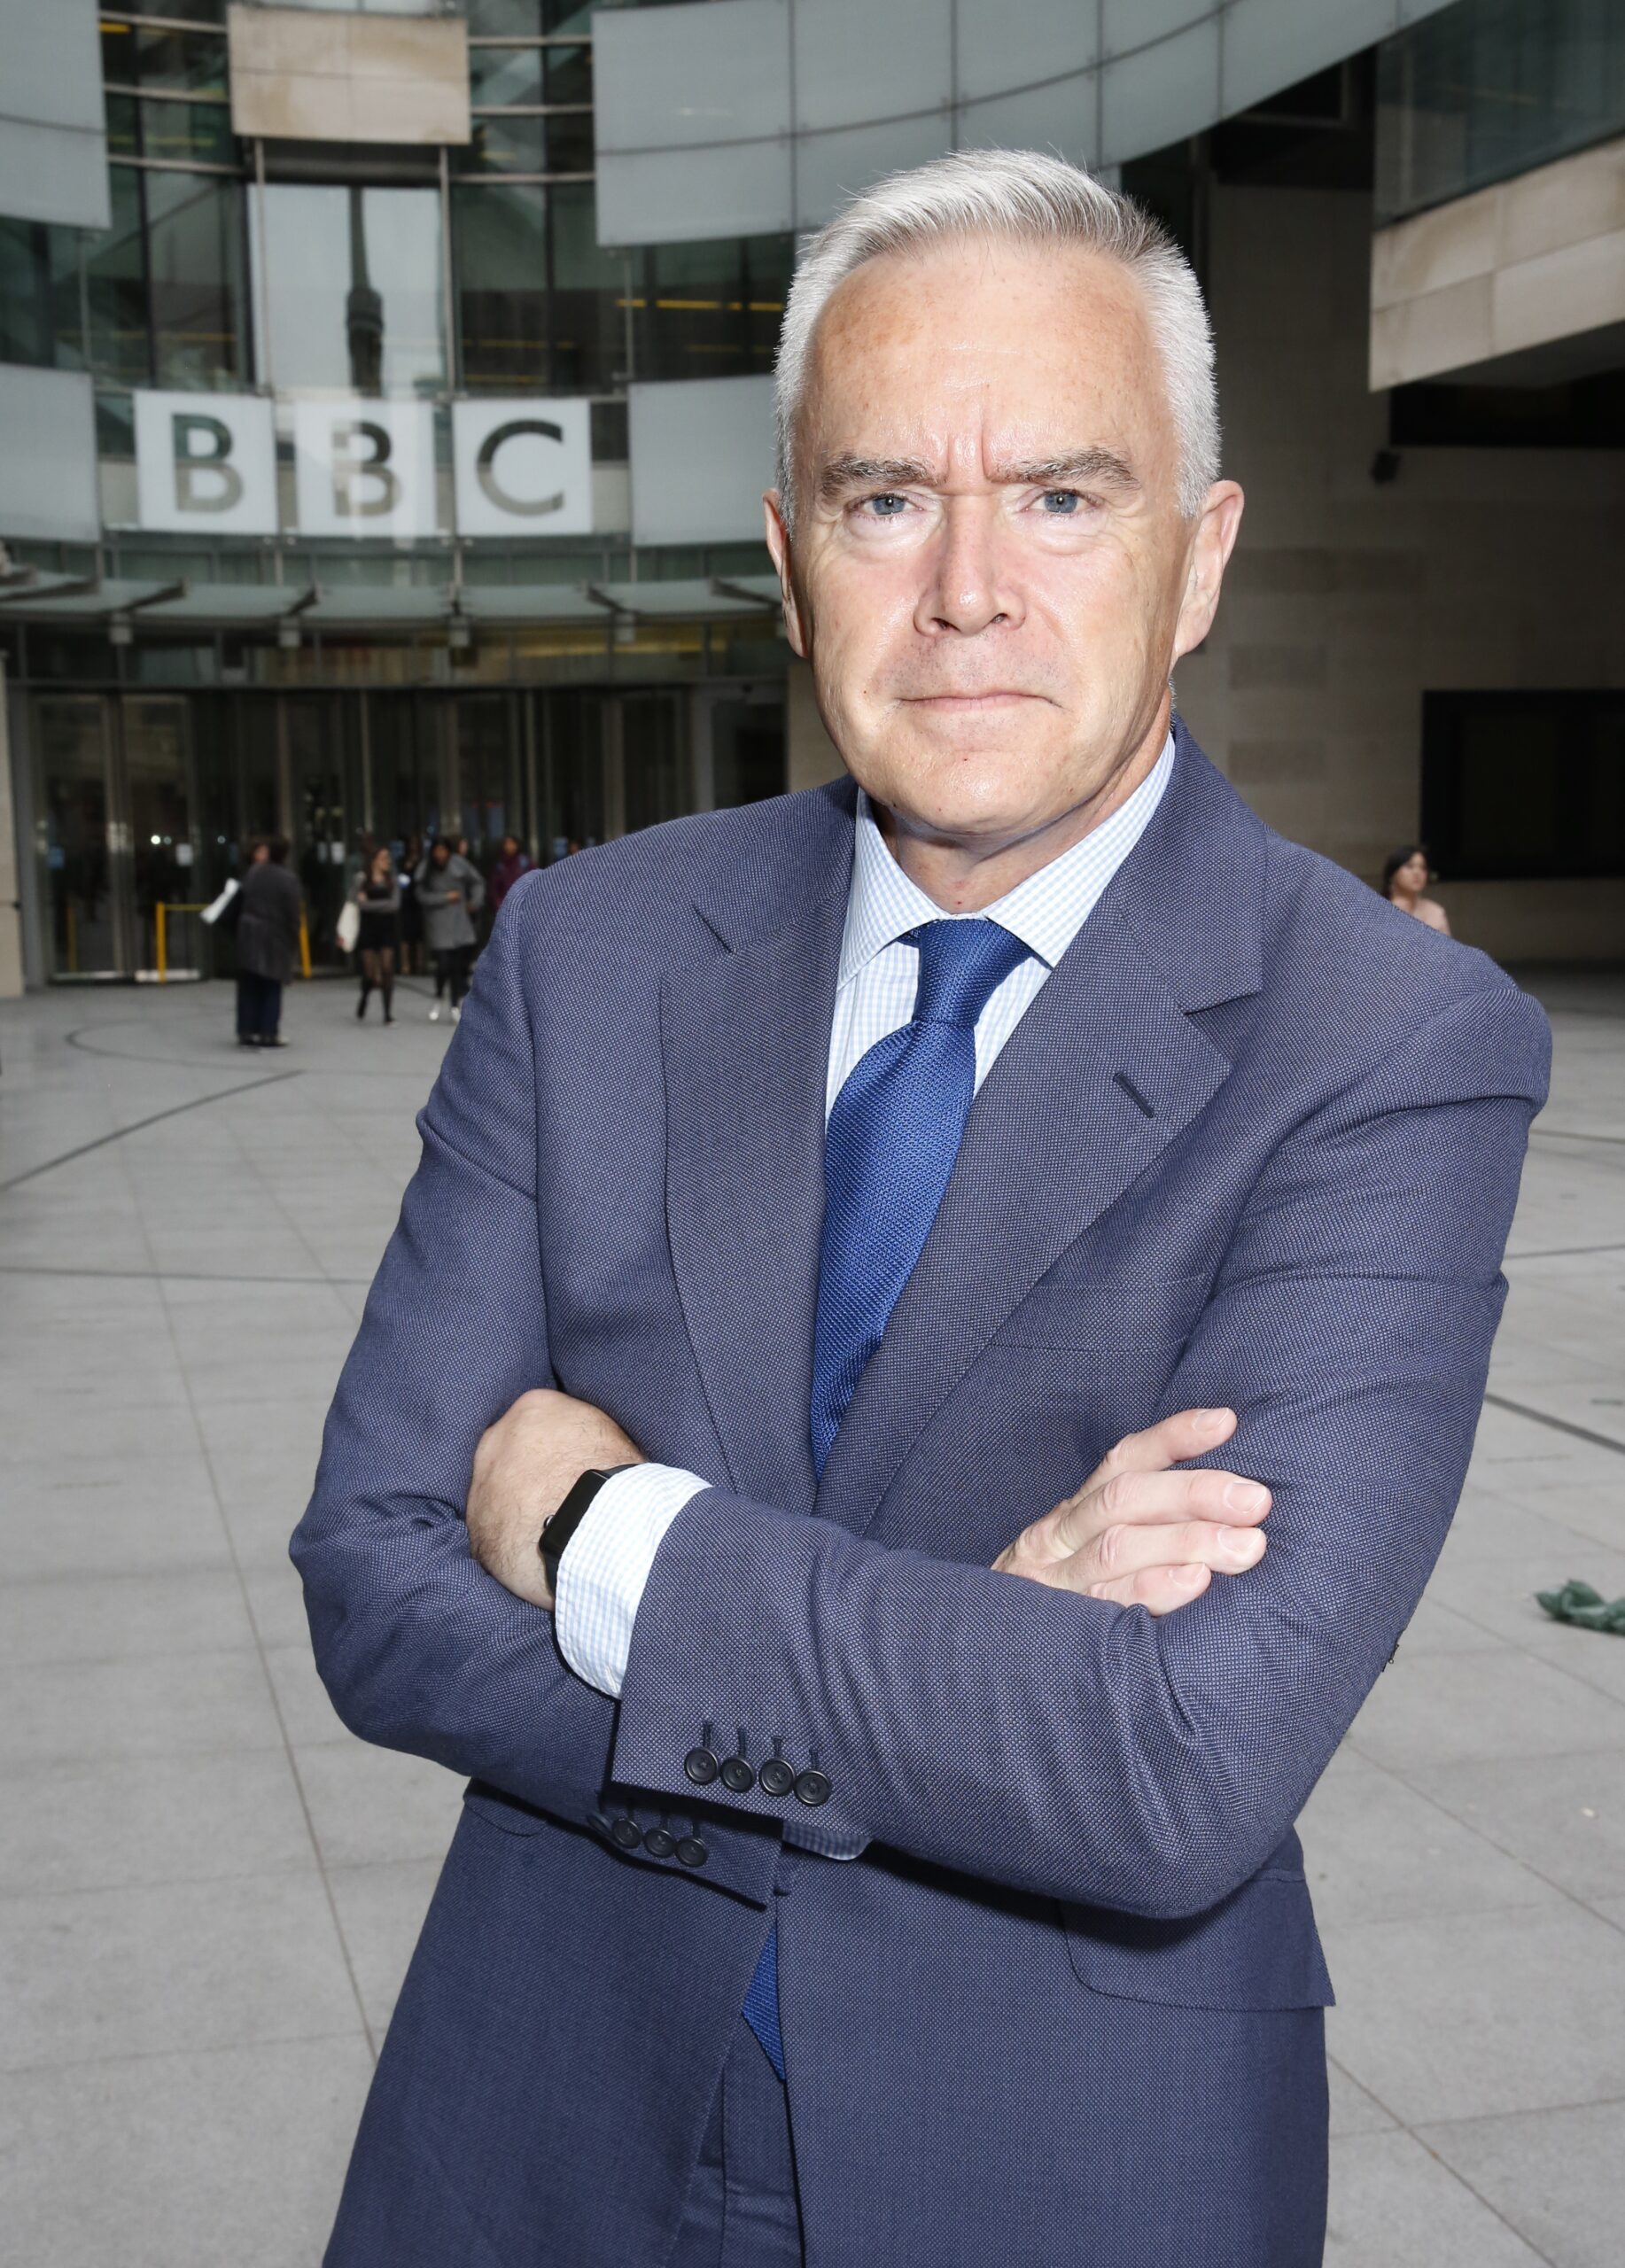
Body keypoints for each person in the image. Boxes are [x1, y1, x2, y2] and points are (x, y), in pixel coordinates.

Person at [293, 151, 1548, 2268]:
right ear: (792, 564)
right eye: (887, 499)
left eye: (1063, 494)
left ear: (1204, 553)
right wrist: (975, 1658)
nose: (969, 585)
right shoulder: (591, 953)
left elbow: (1175, 1759)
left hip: (1064, 2155)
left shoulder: (1392, 1034)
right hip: (540, 2115)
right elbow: (377, 1575)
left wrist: (616, 1539)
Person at [233, 835, 299, 1049]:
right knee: (272, 985)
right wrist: (294, 935)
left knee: (249, 985)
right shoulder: (287, 879)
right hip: (274, 935)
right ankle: (268, 1032)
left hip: (249, 932)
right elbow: (292, 912)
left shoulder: (253, 873)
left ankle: (247, 1030)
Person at [414, 836, 484, 1022]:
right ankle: (438, 995)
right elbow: (420, 895)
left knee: (457, 966)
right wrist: (444, 898)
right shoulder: (426, 869)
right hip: (438, 922)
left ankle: (454, 1003)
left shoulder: (459, 864)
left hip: (459, 921)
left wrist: (474, 902)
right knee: (443, 964)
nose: (440, 855)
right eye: (437, 850)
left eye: (443, 850)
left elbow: (477, 882)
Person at [354, 846, 400, 1025]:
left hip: (387, 929)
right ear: (373, 860)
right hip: (368, 930)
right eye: (382, 858)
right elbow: (359, 904)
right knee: (370, 975)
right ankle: (365, 996)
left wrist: (371, 904)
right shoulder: (361, 879)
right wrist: (383, 905)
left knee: (387, 970)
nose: (386, 861)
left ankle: (387, 1014)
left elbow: (394, 905)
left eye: (387, 858)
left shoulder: (392, 881)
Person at [1383, 842, 1451, 934]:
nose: (1417, 872)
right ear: (1392, 873)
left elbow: (1446, 947)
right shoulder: (1378, 911)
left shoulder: (1435, 912)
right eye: (1409, 866)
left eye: (1423, 868)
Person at [488, 832, 533, 916]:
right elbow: (494, 888)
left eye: (512, 844)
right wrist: (498, 905)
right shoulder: (500, 865)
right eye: (507, 844)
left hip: (524, 905)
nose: (509, 847)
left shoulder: (524, 862)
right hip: (505, 906)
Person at [396, 834, 423, 975]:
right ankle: (405, 965)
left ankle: (419, 963)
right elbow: (401, 882)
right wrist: (407, 868)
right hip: (406, 900)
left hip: (420, 900)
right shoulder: (402, 861)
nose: (413, 847)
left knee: (419, 935)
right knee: (406, 935)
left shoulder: (423, 861)